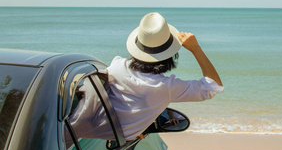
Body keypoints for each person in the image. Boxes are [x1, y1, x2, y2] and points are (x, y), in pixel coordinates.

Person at [67, 12, 223, 142]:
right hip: (114, 137)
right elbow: (213, 86)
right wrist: (196, 49)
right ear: (170, 54)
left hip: (88, 131)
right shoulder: (165, 87)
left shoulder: (117, 66)